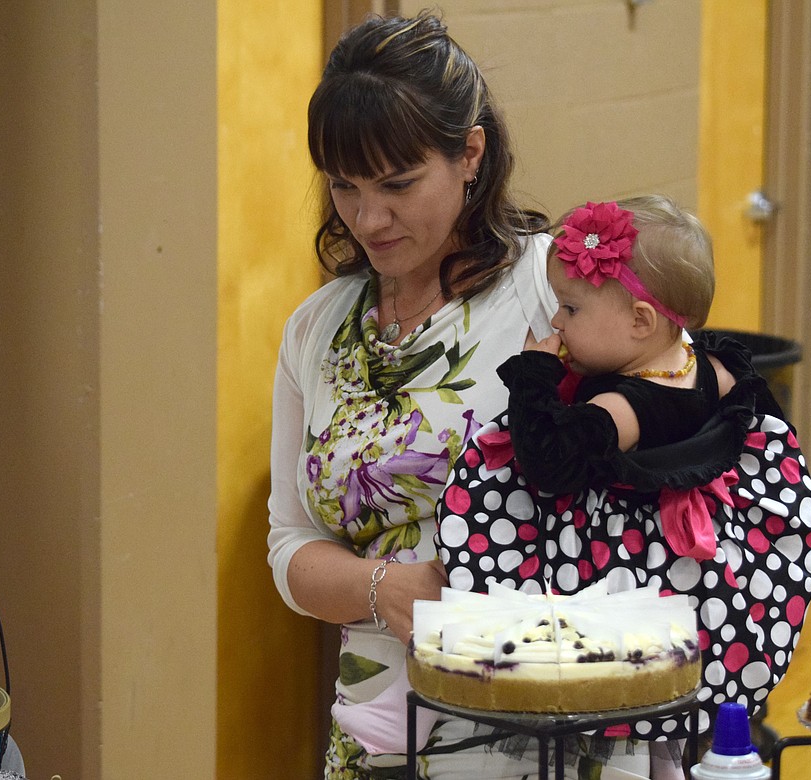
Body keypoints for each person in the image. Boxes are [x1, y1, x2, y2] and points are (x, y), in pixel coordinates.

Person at [266, 11, 669, 779]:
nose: (368, 217)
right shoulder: (317, 330)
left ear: (470, 153)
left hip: (556, 724)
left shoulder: (558, 291)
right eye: (344, 186)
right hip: (380, 729)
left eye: (398, 183)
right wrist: (387, 590)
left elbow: (668, 449)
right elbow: (290, 546)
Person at [434, 196, 811, 777]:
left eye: (569, 307)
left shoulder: (627, 405)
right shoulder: (707, 366)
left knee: (611, 713)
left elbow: (550, 464)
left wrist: (535, 376)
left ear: (641, 321)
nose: (556, 323)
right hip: (708, 574)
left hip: (629, 582)